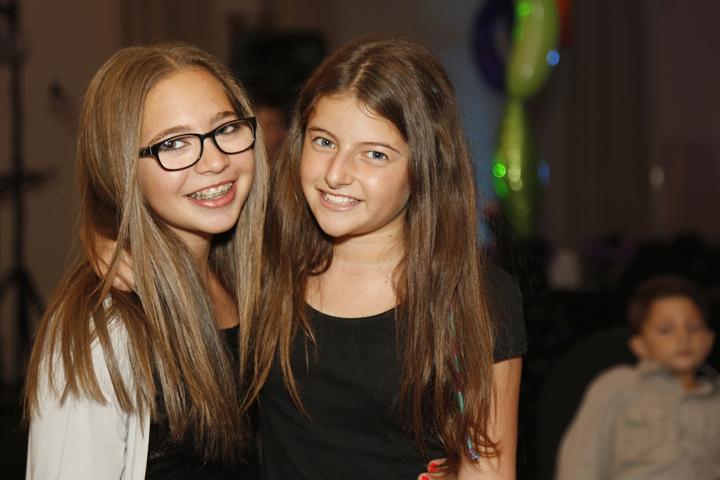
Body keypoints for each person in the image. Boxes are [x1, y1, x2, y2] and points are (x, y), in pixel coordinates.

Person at [251, 37, 526, 479]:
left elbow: (487, 470)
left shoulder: (472, 300)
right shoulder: (261, 271)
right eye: (324, 142)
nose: (336, 173)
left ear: (425, 167)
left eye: (375, 154)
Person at [24, 43, 268, 479]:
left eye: (226, 128)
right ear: (120, 169)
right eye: (173, 143)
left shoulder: (256, 282)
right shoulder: (104, 330)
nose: (215, 161)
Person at [556, 275, 719, 479]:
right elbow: (580, 466)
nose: (683, 338)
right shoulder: (619, 386)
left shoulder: (716, 398)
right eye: (666, 330)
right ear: (639, 345)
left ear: (709, 339)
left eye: (693, 328)